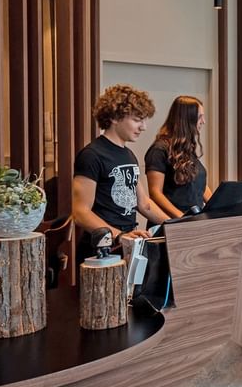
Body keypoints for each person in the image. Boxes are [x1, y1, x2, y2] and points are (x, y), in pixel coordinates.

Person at [72, 84, 170, 262]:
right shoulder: (91, 155)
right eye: (137, 120)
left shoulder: (128, 154)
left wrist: (174, 225)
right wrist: (119, 236)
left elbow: (144, 204)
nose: (143, 127)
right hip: (101, 249)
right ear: (115, 117)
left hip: (128, 243)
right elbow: (80, 213)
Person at [145, 95, 212, 220]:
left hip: (193, 222)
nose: (203, 121)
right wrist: (181, 217)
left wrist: (216, 207)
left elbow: (199, 186)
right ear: (187, 119)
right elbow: (155, 193)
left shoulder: (186, 148)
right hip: (173, 223)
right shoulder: (159, 150)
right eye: (200, 117)